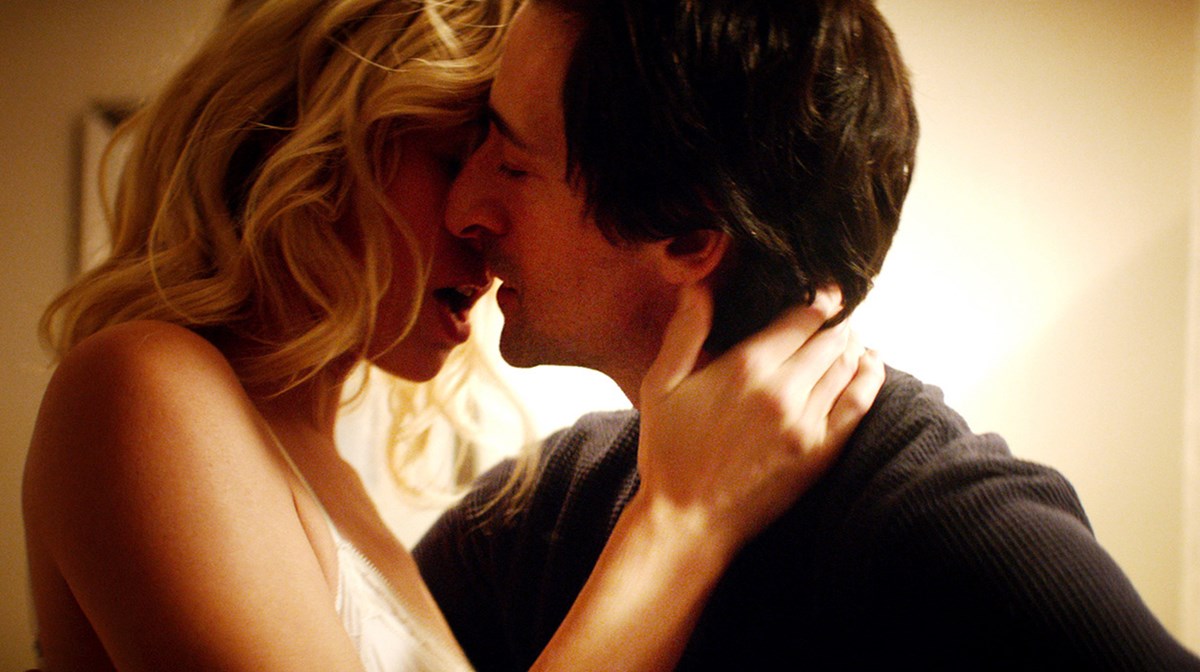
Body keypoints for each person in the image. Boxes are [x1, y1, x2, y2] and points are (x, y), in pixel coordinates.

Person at [21, 0, 885, 670]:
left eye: (515, 170)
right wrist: (679, 523)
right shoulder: (142, 381)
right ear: (313, 146)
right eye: (451, 159)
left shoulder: (320, 465)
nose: (480, 222)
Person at [413, 0, 1200, 669]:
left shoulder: (945, 528)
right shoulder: (534, 519)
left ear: (687, 236)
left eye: (513, 166)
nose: (462, 207)